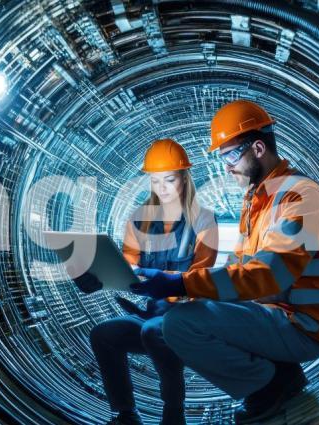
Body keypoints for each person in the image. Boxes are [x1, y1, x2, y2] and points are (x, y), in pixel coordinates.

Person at [132, 100, 319, 423]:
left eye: (231, 155)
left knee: (181, 326)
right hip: (277, 315)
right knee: (176, 316)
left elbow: (268, 275)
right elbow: (239, 271)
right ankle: (281, 373)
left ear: (258, 148)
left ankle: (269, 386)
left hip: (305, 326)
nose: (227, 167)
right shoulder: (257, 201)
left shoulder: (300, 196)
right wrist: (180, 297)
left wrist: (180, 282)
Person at [74, 138, 218, 425]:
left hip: (190, 321)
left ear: (185, 178)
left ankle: (173, 416)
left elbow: (200, 278)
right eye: (155, 180)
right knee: (104, 334)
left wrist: (169, 287)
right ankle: (126, 414)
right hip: (152, 316)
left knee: (156, 331)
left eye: (170, 179)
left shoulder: (204, 221)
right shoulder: (138, 220)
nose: (162, 188)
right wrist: (97, 278)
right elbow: (128, 268)